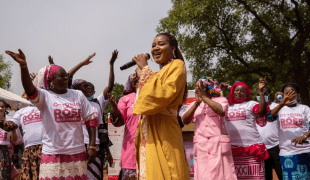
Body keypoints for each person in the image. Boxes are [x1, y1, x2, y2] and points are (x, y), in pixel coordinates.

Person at [5, 49, 98, 179]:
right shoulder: (45, 97)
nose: (66, 77)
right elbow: (30, 90)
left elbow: (90, 119)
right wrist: (23, 67)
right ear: (51, 82)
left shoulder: (77, 95)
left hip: (77, 153)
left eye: (66, 75)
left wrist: (92, 145)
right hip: (53, 154)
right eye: (62, 76)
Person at [132, 32, 190, 180]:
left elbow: (162, 95)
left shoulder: (177, 65)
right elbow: (143, 101)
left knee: (169, 172)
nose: (155, 48)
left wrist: (145, 69)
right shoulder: (158, 73)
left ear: (173, 48)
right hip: (150, 130)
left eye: (161, 44)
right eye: (153, 45)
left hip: (165, 131)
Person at [182, 76, 237, 180]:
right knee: (203, 176)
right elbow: (185, 120)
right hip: (201, 147)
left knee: (222, 175)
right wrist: (198, 102)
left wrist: (205, 98)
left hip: (218, 146)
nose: (196, 89)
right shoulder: (195, 103)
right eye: (197, 87)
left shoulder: (221, 100)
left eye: (199, 87)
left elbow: (221, 111)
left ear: (207, 88)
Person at [225, 78, 270, 180]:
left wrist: (261, 92)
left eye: (242, 91)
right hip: (232, 148)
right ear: (232, 92)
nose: (239, 92)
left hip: (251, 148)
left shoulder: (251, 104)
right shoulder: (226, 105)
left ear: (246, 94)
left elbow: (261, 112)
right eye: (237, 90)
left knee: (254, 177)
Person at [269, 83, 310, 180]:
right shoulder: (279, 109)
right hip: (286, 152)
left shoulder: (305, 108)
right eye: (287, 93)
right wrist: (281, 104)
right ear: (282, 95)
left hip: (304, 151)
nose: (290, 95)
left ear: (297, 94)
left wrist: (303, 137)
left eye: (293, 93)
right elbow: (270, 118)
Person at [108, 71, 140, 180]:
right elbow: (118, 123)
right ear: (135, 84)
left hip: (152, 149)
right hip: (131, 151)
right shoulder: (126, 99)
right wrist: (115, 108)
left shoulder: (154, 98)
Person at [256, 87, 283, 180]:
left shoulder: (275, 107)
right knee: (266, 176)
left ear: (269, 96)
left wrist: (278, 98)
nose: (261, 95)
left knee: (281, 173)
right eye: (259, 94)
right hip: (261, 148)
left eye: (265, 93)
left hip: (276, 147)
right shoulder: (255, 109)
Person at [0, 100, 13, 180]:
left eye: (2, 106)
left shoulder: (9, 121)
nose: (0, 108)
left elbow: (15, 140)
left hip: (5, 151)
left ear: (5, 108)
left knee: (5, 175)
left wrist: (14, 130)